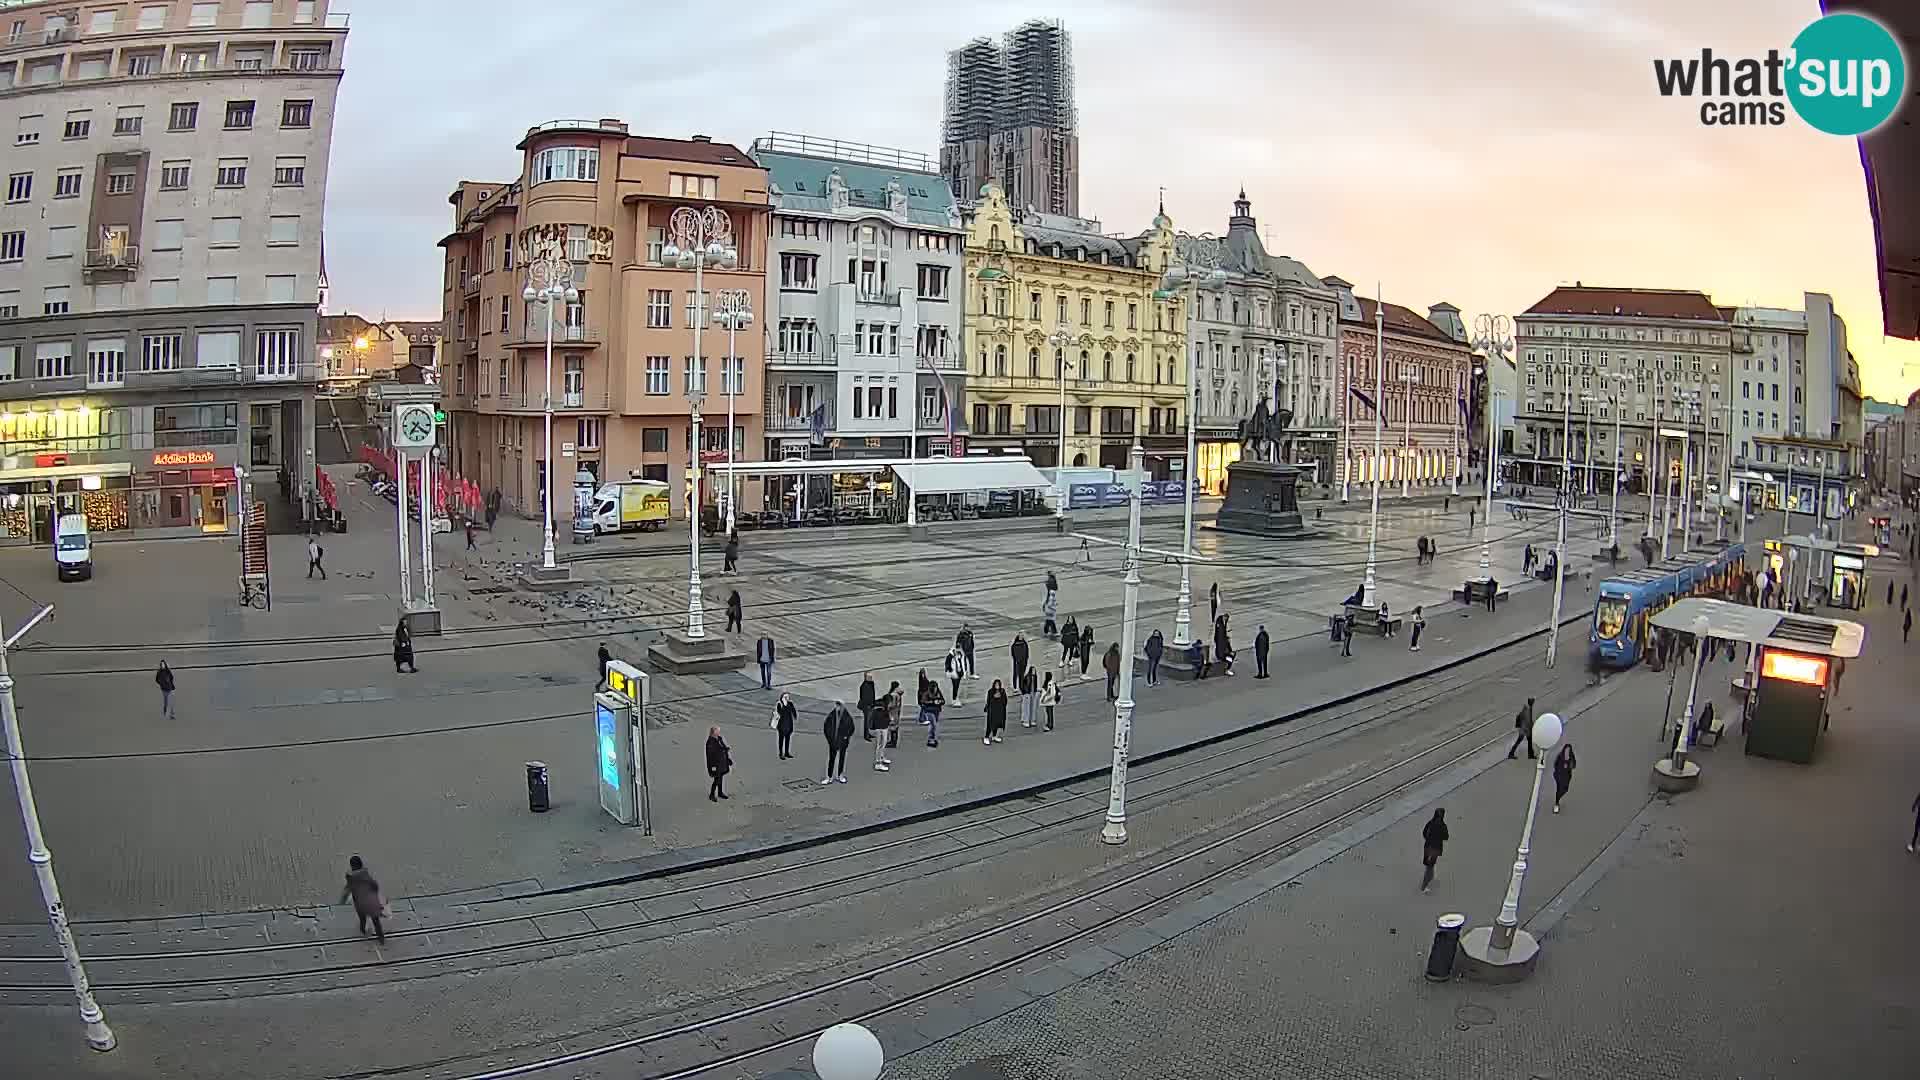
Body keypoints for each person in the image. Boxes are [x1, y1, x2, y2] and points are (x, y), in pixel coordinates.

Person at [340, 856, 386, 942]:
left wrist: (342, 901)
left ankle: (363, 931)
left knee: (362, 919)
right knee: (376, 921)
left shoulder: (350, 877)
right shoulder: (366, 874)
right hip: (371, 902)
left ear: (352, 866)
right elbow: (375, 885)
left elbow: (347, 890)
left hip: (359, 902)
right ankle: (381, 938)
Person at [821, 701, 855, 784]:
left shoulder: (847, 716)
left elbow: (851, 728)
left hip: (843, 741)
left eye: (839, 705)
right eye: (837, 705)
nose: (837, 707)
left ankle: (840, 775)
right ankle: (829, 777)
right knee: (831, 759)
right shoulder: (832, 715)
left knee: (841, 758)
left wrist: (846, 736)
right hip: (833, 741)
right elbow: (826, 727)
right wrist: (829, 738)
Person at [1420, 809, 1448, 893]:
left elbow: (1424, 832)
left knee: (1427, 863)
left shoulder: (1430, 823)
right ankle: (1424, 886)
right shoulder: (1443, 826)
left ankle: (1431, 876)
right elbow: (1446, 837)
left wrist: (1428, 839)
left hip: (1428, 846)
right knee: (1430, 865)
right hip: (1435, 848)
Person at [868, 690, 893, 771]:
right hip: (880, 728)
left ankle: (881, 757)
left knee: (883, 743)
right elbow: (881, 719)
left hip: (883, 727)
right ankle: (878, 763)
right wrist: (889, 720)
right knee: (880, 744)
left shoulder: (882, 707)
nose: (891, 704)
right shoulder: (880, 709)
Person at [706, 726, 732, 800]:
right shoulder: (710, 742)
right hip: (716, 764)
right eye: (716, 731)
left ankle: (720, 793)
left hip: (722, 763)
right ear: (713, 732)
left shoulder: (719, 739)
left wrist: (728, 759)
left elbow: (723, 749)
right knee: (717, 779)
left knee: (721, 778)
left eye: (718, 731)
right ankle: (712, 795)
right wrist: (712, 767)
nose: (718, 732)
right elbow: (710, 756)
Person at [1552, 743, 1577, 813]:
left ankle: (1558, 798)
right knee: (1559, 789)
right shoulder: (1560, 756)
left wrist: (1570, 765)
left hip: (1567, 776)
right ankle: (1556, 803)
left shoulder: (1572, 757)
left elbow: (1574, 765)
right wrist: (1560, 768)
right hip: (1559, 775)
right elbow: (1555, 764)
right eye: (1566, 750)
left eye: (1568, 751)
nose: (1567, 752)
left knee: (1565, 789)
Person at [773, 692, 797, 760]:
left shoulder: (790, 703)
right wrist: (784, 706)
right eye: (785, 697)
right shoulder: (779, 704)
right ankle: (781, 753)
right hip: (782, 725)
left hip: (788, 724)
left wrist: (795, 715)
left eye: (787, 697)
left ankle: (786, 752)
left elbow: (793, 711)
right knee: (781, 740)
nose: (787, 698)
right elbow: (779, 712)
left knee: (787, 739)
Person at [984, 679, 1009, 744]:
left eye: (998, 684)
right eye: (996, 684)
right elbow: (988, 701)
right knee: (990, 724)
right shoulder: (991, 691)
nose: (997, 686)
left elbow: (1005, 701)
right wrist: (994, 697)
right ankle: (986, 737)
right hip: (992, 711)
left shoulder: (1002, 691)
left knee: (997, 724)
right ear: (994, 685)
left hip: (999, 711)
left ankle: (994, 736)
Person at [922, 678, 945, 748]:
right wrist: (932, 702)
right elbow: (923, 701)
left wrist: (940, 702)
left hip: (936, 711)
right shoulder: (926, 693)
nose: (936, 689)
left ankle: (932, 738)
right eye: (934, 687)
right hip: (929, 711)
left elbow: (943, 701)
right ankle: (931, 738)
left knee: (933, 725)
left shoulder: (938, 692)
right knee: (933, 724)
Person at [857, 671, 877, 742]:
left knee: (869, 721)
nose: (871, 678)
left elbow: (872, 695)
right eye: (869, 677)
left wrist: (873, 703)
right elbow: (865, 697)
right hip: (867, 706)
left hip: (870, 705)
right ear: (865, 677)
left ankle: (868, 733)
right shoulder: (864, 685)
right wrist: (869, 705)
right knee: (867, 721)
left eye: (871, 677)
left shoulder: (870, 684)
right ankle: (866, 736)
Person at [885, 680, 904, 750]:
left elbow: (892, 705)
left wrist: (887, 707)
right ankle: (893, 741)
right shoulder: (898, 694)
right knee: (895, 727)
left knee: (892, 728)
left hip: (892, 713)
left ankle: (893, 742)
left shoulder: (893, 695)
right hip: (897, 712)